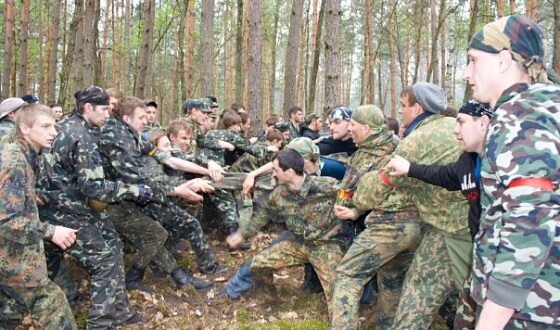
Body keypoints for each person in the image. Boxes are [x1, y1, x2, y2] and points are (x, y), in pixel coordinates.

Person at [463, 15, 560, 329]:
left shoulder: (521, 114)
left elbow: (531, 215)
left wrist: (492, 318)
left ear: (503, 60)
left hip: (530, 308)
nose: (467, 74)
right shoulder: (546, 106)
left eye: (473, 61)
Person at [359, 82, 471, 330]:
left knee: (415, 302)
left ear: (417, 108)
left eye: (403, 105)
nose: (400, 112)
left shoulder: (416, 141)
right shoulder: (457, 127)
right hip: (474, 226)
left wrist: (358, 194)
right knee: (466, 299)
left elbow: (371, 192)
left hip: (447, 232)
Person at [36, 86, 150, 328]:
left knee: (113, 243)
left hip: (62, 205)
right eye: (104, 110)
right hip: (65, 210)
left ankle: (119, 309)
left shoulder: (66, 126)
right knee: (104, 261)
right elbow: (94, 187)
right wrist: (134, 190)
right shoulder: (81, 136)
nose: (108, 115)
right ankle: (100, 323)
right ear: (88, 108)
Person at [386, 99, 492, 329]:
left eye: (461, 123)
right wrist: (410, 169)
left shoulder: (507, 165)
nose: (455, 130)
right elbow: (445, 175)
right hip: (477, 248)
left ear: (483, 124)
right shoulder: (468, 161)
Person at [97, 97, 219, 292]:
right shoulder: (117, 139)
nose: (146, 121)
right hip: (108, 201)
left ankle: (172, 277)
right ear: (127, 118)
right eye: (141, 117)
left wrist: (206, 170)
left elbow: (169, 159)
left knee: (155, 234)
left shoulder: (131, 136)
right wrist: (178, 190)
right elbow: (137, 180)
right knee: (153, 235)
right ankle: (140, 281)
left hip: (125, 197)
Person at [215, 149, 347, 315]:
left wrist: (352, 211)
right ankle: (268, 298)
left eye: (276, 170)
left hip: (325, 246)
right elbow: (262, 216)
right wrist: (241, 235)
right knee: (258, 264)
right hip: (297, 242)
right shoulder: (279, 193)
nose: (274, 175)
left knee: (340, 294)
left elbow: (351, 194)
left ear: (290, 172)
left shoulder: (326, 186)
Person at [329, 105, 422, 329]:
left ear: (366, 128)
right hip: (416, 228)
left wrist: (351, 210)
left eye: (353, 125)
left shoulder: (361, 157)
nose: (350, 129)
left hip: (386, 228)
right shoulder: (401, 147)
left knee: (347, 277)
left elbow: (346, 198)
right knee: (392, 279)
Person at [0, 104, 77, 329]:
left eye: (54, 125)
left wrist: (33, 195)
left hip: (15, 250)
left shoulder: (28, 154)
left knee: (12, 310)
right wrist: (51, 231)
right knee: (53, 305)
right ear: (24, 128)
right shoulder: (13, 161)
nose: (53, 132)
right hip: (10, 254)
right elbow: (5, 220)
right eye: (46, 126)